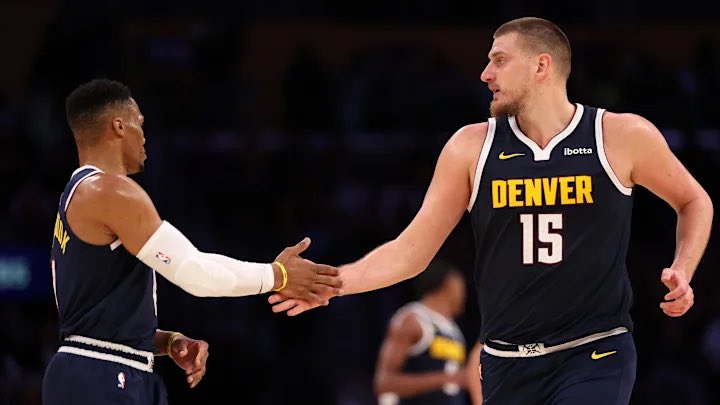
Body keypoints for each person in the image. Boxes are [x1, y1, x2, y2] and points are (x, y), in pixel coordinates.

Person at [269, 17, 714, 404]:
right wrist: (331, 284)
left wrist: (683, 267)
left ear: (542, 65)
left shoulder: (620, 135)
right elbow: (411, 252)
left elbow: (694, 200)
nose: (485, 74)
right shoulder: (470, 147)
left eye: (500, 60)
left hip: (595, 350)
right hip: (505, 359)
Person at [42, 78, 341, 405]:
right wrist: (278, 276)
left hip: (101, 367)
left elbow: (94, 319)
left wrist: (167, 342)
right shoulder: (110, 191)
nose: (145, 135)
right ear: (118, 126)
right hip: (102, 374)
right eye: (139, 123)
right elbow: (192, 271)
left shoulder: (76, 195)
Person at [374, 259, 469, 405]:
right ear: (448, 284)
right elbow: (384, 383)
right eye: (461, 286)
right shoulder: (413, 320)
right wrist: (448, 378)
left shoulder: (454, 331)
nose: (464, 294)